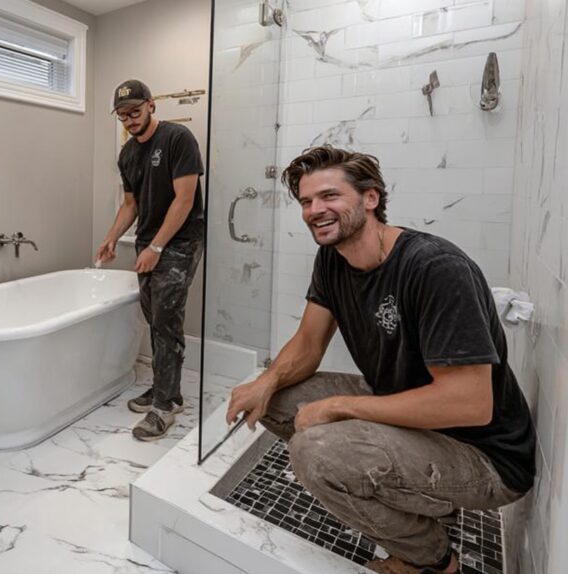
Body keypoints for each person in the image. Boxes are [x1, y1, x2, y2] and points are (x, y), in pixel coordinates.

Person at [226, 146, 536, 574]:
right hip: (408, 408)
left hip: (482, 453)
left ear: (370, 198)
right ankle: (414, 500)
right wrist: (266, 381)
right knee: (278, 400)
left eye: (330, 196)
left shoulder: (434, 268)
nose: (315, 210)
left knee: (315, 452)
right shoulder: (333, 259)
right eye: (306, 201)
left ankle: (430, 560)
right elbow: (309, 343)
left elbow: (470, 404)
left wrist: (337, 406)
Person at [96, 79, 206, 441]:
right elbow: (130, 205)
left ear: (152, 105)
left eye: (136, 112)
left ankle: (163, 407)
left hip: (180, 242)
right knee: (154, 317)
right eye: (123, 116)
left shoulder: (178, 139)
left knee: (165, 319)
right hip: (149, 242)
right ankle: (168, 392)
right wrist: (112, 238)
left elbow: (184, 200)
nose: (130, 120)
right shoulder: (128, 154)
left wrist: (157, 247)